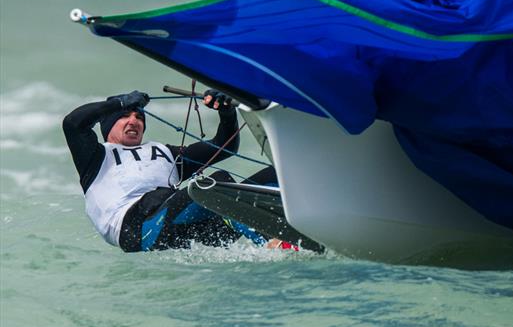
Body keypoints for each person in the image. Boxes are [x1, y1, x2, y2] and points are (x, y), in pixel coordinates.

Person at [63, 89, 320, 253]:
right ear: (108, 125)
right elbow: (73, 123)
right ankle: (277, 245)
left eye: (139, 117)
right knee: (216, 185)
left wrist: (226, 113)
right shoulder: (96, 157)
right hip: (138, 231)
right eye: (125, 116)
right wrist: (118, 102)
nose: (134, 121)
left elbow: (223, 147)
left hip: (189, 229)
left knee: (276, 174)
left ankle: (317, 231)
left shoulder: (165, 153)